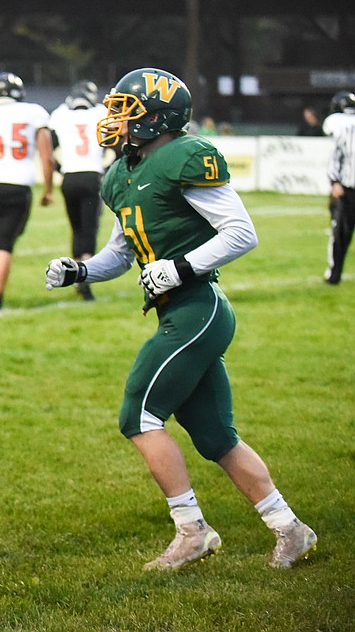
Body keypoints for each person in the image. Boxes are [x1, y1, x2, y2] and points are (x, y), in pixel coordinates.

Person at [44, 67, 317, 571]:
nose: (114, 120)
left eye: (126, 111)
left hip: (199, 307)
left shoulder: (182, 157)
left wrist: (182, 267)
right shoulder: (122, 174)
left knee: (139, 416)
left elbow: (241, 232)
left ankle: (192, 530)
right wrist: (80, 270)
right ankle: (289, 528)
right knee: (216, 436)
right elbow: (121, 256)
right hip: (181, 309)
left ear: (158, 117)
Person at [0, 72, 53, 311]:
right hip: (17, 185)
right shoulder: (33, 113)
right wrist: (48, 190)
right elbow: (47, 157)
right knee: (3, 244)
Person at [48, 78, 108, 301]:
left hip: (69, 177)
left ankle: (76, 272)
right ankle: (84, 276)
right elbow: (114, 144)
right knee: (89, 228)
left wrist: (60, 167)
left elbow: (50, 145)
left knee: (76, 228)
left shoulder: (60, 114)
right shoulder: (100, 113)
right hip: (92, 175)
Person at [324, 91, 355, 284]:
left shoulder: (339, 124)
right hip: (348, 186)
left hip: (348, 187)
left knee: (341, 234)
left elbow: (336, 155)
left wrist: (334, 181)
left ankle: (334, 275)